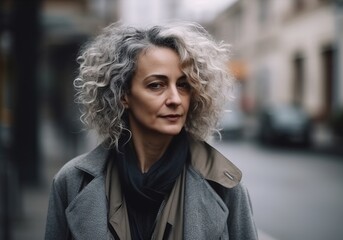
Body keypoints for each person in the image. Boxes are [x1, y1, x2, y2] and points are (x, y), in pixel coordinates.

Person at [45, 21, 258, 240]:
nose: (175, 99)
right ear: (123, 95)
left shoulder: (225, 187)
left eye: (183, 85)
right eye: (156, 85)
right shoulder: (72, 182)